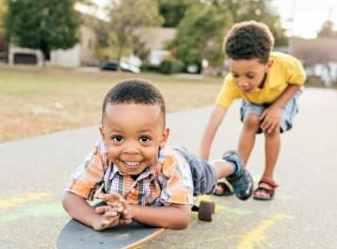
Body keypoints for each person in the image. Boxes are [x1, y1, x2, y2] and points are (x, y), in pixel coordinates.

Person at [62, 79, 253, 231]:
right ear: (104, 135)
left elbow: (181, 218)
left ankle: (233, 164)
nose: (130, 150)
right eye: (118, 138)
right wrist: (94, 218)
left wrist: (132, 210)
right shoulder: (102, 153)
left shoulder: (172, 163)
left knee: (211, 174)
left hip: (190, 169)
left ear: (163, 137)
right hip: (153, 178)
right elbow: (71, 198)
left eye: (143, 139)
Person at [199, 21, 306, 200]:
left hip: (283, 97)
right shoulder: (232, 84)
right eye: (235, 74)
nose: (242, 82)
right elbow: (215, 120)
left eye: (250, 75)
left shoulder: (286, 64)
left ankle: (267, 178)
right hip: (255, 99)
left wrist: (277, 107)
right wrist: (201, 163)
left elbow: (298, 82)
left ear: (268, 65)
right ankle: (237, 174)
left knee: (271, 125)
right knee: (251, 120)